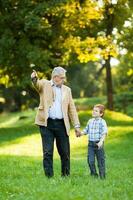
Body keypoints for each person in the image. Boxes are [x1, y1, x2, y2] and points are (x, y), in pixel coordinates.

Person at [31, 67, 81, 178]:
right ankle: (49, 178)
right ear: (55, 77)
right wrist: (34, 78)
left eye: (64, 78)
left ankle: (66, 176)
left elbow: (71, 108)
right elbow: (37, 84)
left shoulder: (67, 90)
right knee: (48, 152)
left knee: (65, 152)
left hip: (62, 124)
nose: (63, 80)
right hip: (46, 124)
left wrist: (76, 126)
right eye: (62, 78)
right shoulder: (45, 84)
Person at [81, 104, 108, 179]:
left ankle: (102, 177)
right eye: (93, 110)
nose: (93, 112)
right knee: (90, 161)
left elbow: (104, 133)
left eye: (96, 111)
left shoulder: (102, 122)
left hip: (99, 144)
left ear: (101, 114)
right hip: (91, 145)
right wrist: (80, 133)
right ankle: (94, 175)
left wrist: (101, 142)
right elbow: (86, 130)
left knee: (101, 161)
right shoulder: (90, 121)